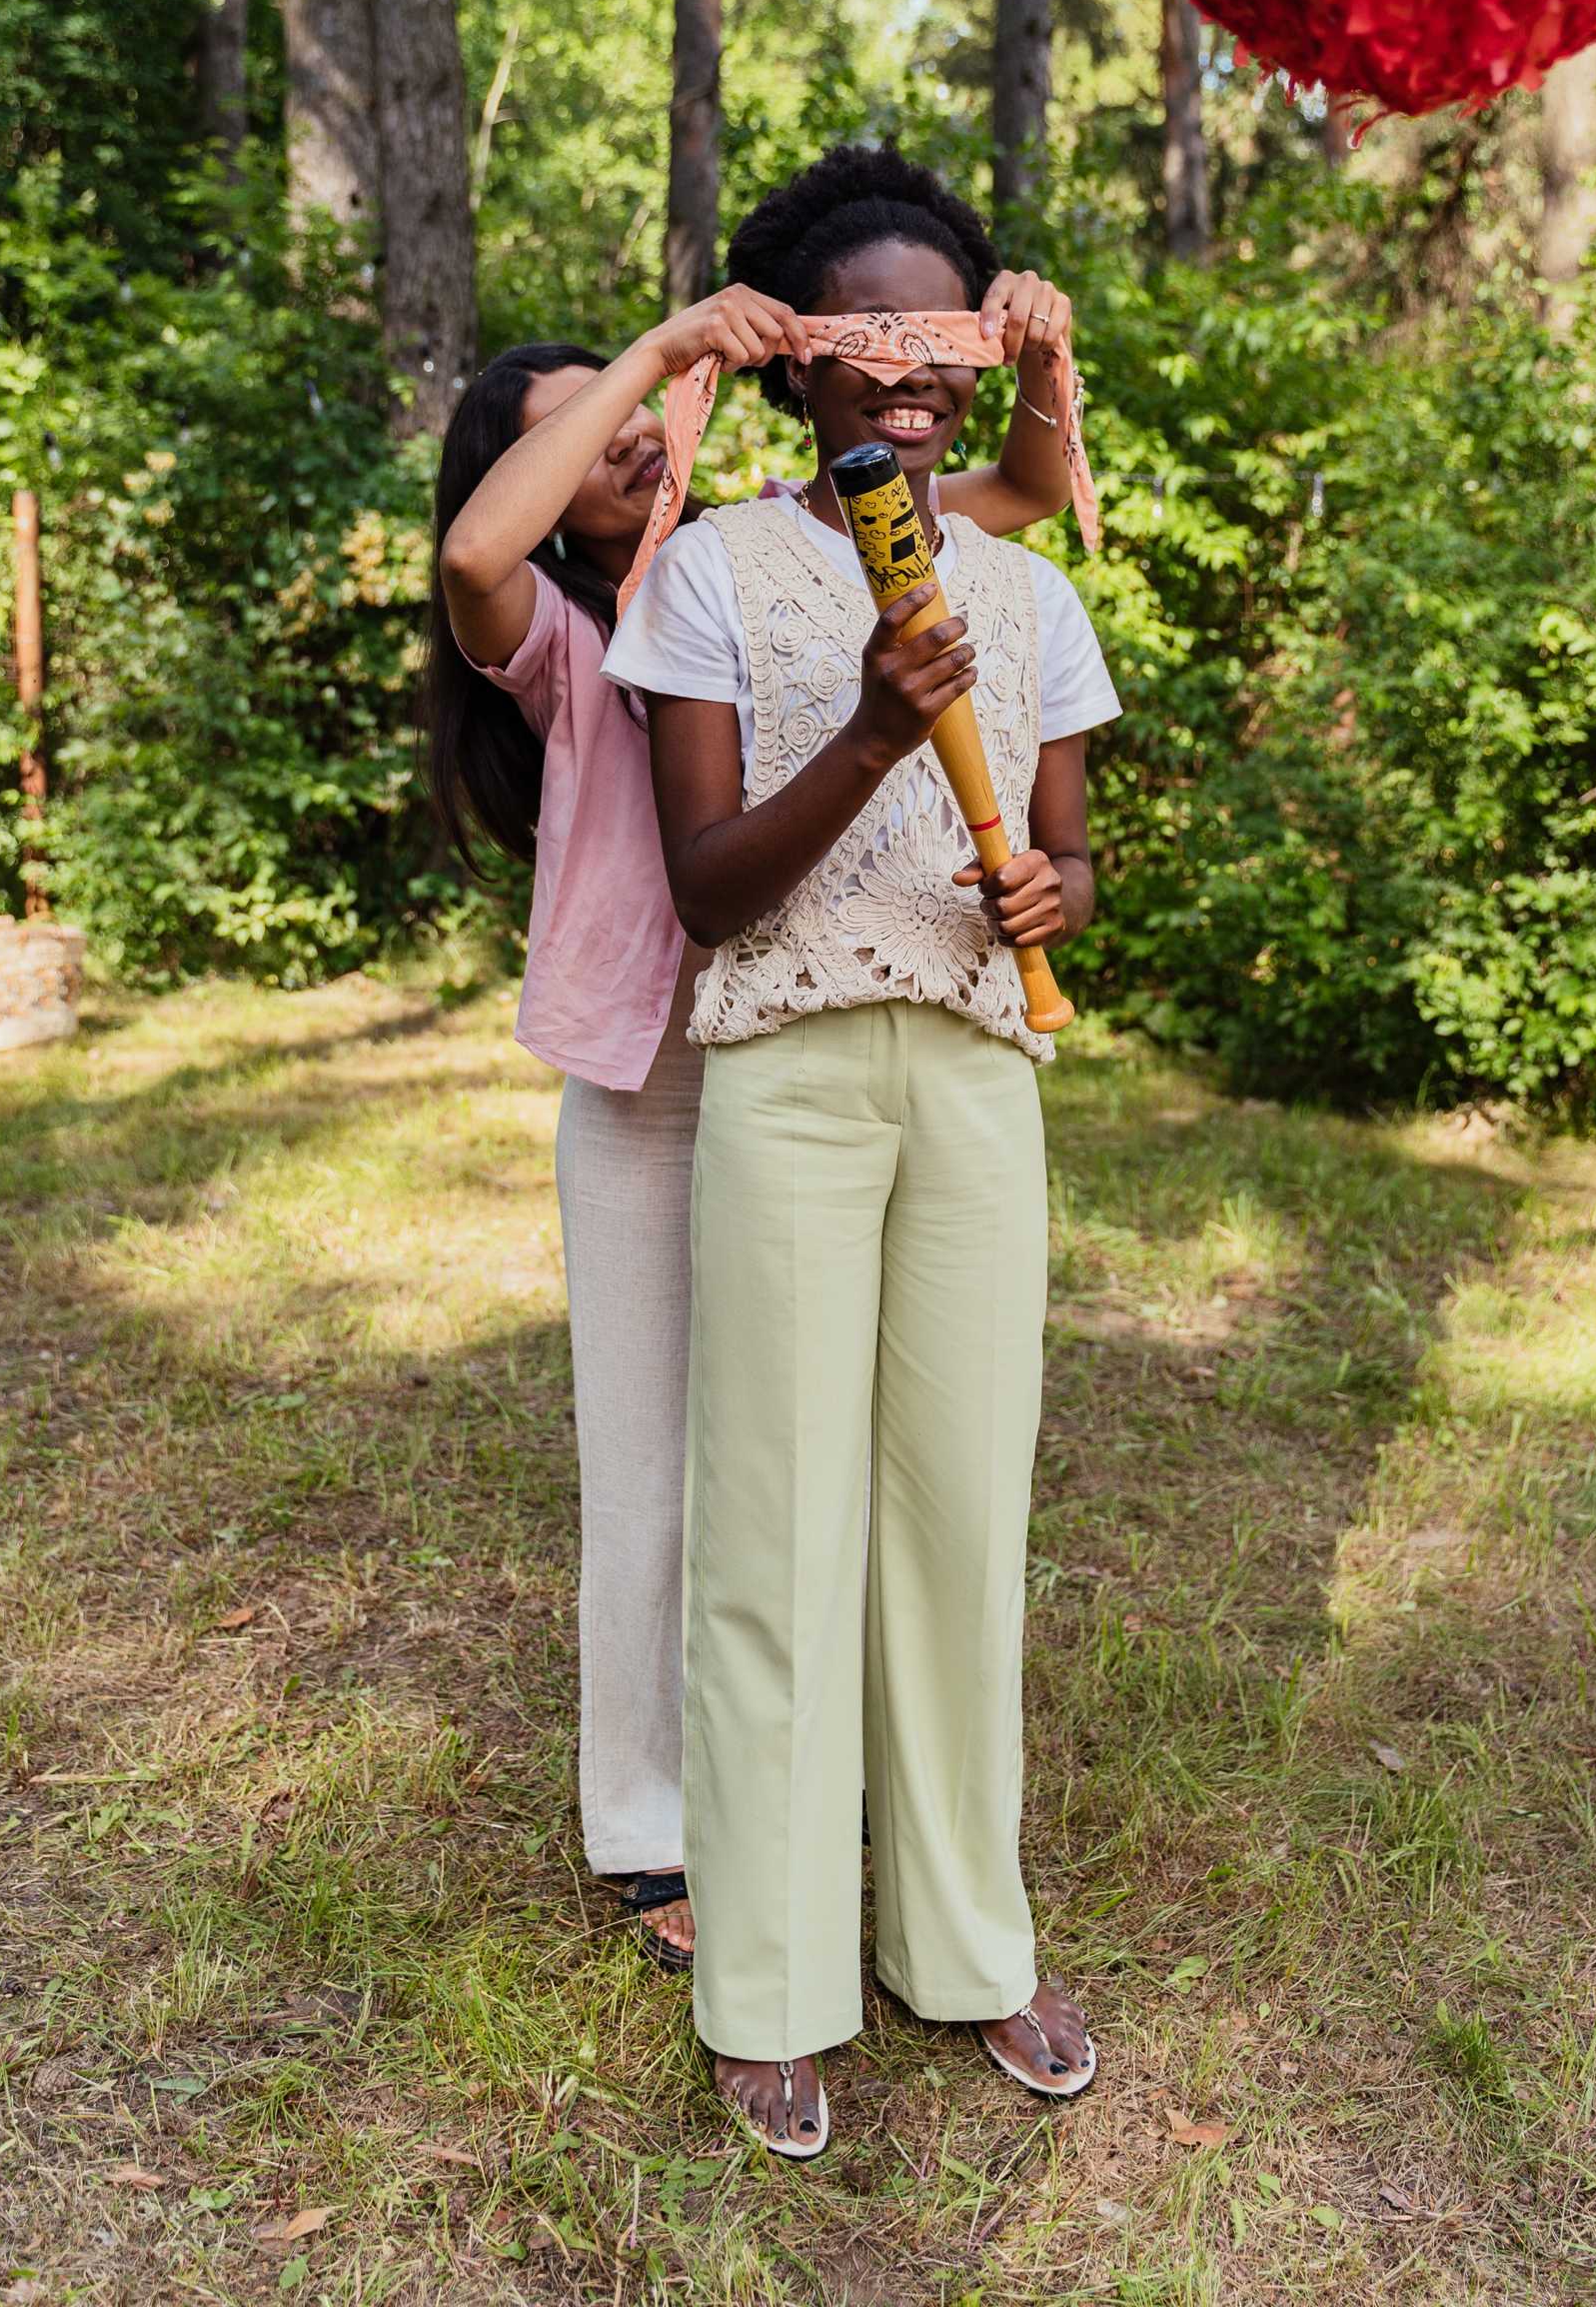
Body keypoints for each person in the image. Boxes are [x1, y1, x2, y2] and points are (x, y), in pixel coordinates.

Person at [425, 184, 1080, 1971]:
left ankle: (803, 1785)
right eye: (587, 437)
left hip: (811, 1044)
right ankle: (656, 1827)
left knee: (809, 1460)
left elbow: (1014, 494)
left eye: (645, 424)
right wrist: (655, 348)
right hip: (657, 1076)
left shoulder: (769, 552)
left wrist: (1024, 349)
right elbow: (476, 555)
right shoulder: (570, 636)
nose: (632, 446)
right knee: (660, 1465)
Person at [603, 144, 1119, 2155]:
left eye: (941, 355)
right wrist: (880, 735)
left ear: (979, 361)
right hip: (793, 1078)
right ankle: (769, 1978)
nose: (909, 391)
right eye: (869, 354)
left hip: (980, 1078)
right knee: (777, 1525)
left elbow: (1070, 856)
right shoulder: (715, 576)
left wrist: (1059, 896)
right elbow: (710, 889)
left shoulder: (1032, 590)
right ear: (804, 363)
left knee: (962, 1521)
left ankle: (967, 1950)